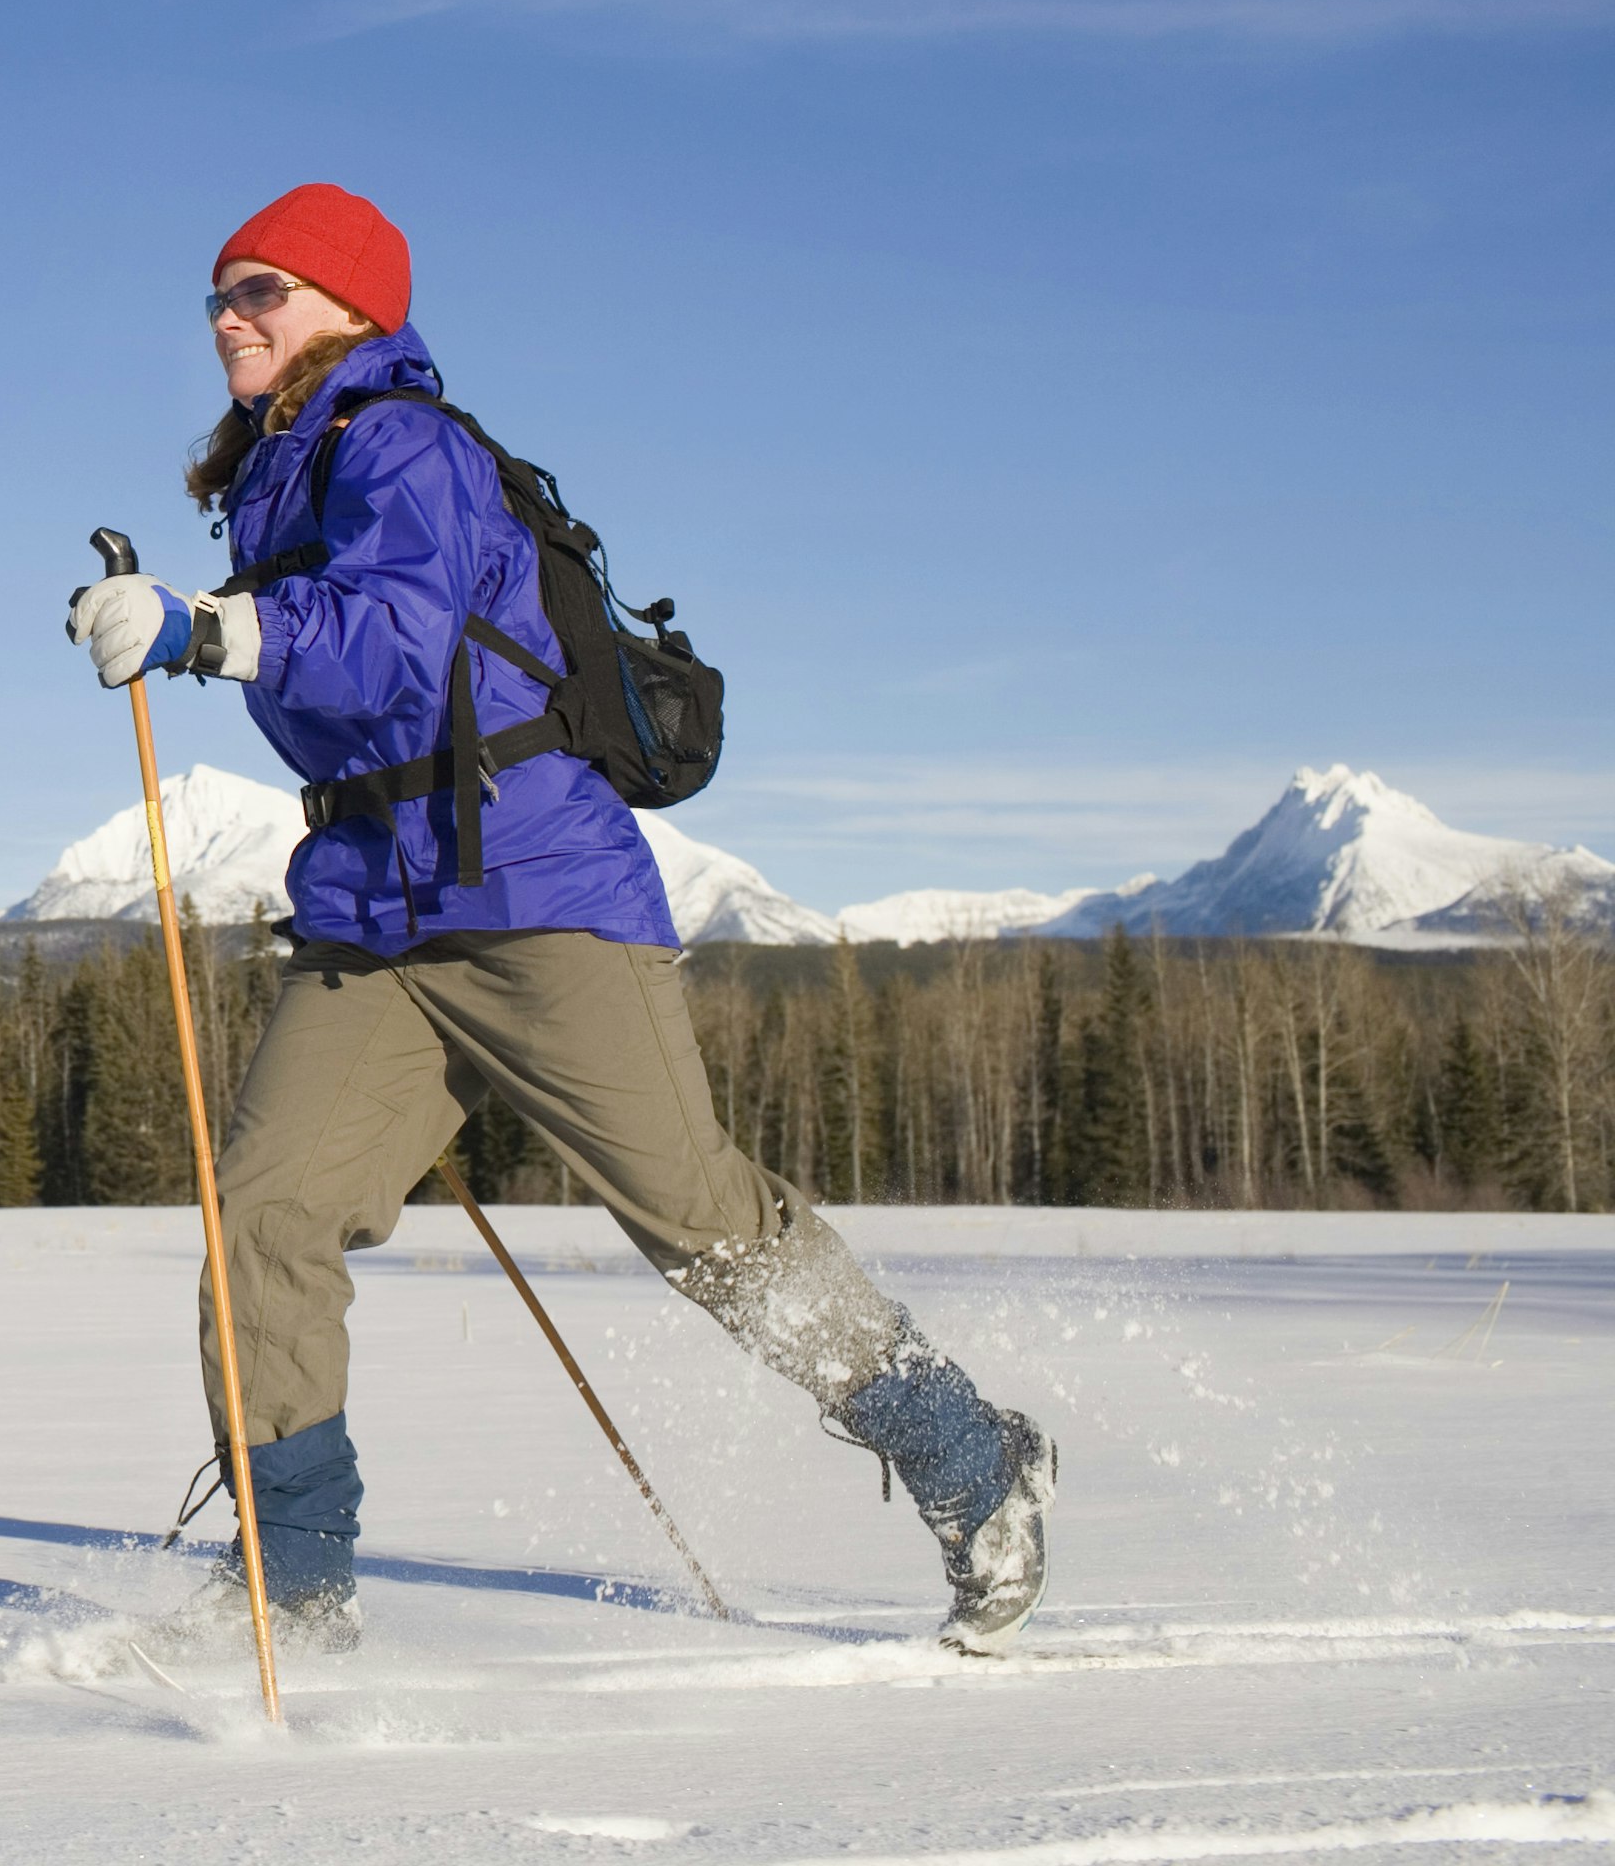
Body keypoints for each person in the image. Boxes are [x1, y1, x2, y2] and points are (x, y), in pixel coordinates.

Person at [65, 182, 1055, 1656]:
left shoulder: (404, 444)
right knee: (263, 1214)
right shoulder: (273, 472)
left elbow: (397, 644)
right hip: (376, 918)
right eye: (220, 290)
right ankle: (293, 1583)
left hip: (539, 897)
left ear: (349, 307)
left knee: (699, 1218)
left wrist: (209, 628)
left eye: (263, 289)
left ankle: (974, 1463)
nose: (229, 313)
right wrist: (218, 612)